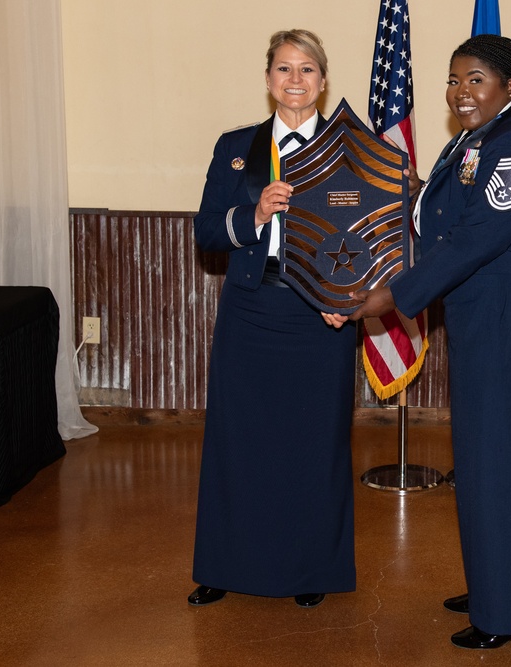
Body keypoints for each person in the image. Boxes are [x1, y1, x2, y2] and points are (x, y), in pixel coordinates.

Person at [349, 34, 511, 649]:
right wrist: (405, 190)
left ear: (510, 86)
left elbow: (478, 236)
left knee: (501, 458)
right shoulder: (473, 140)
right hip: (487, 313)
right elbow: (448, 218)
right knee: (495, 455)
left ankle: (510, 608)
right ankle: (504, 580)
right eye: (455, 80)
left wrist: (395, 296)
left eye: (476, 80)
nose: (462, 92)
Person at [188, 29, 356, 609]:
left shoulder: (351, 150)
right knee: (238, 442)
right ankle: (223, 564)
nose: (295, 80)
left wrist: (353, 298)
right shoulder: (236, 146)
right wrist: (252, 213)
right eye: (284, 69)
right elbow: (207, 231)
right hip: (252, 312)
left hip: (322, 318)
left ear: (323, 81)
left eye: (307, 69)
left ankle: (311, 569)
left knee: (316, 444)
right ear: (267, 81)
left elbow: (373, 238)